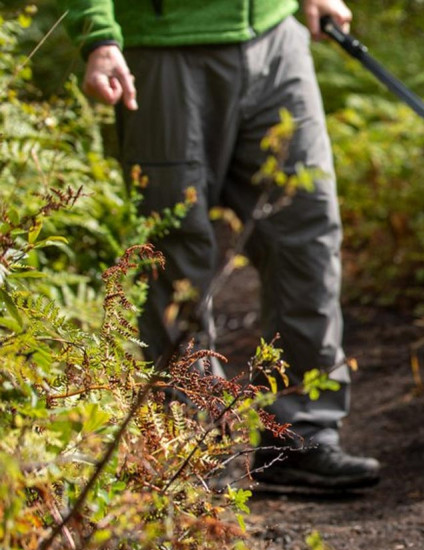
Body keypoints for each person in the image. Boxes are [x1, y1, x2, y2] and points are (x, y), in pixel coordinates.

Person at [59, 0, 381, 491]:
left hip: (275, 38)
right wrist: (99, 34)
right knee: (174, 252)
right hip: (165, 48)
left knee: (308, 231)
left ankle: (300, 435)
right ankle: (184, 453)